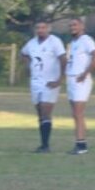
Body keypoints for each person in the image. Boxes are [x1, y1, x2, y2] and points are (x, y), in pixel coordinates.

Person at [21, 19, 65, 153]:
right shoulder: (32, 43)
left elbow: (63, 59)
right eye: (38, 28)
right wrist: (28, 66)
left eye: (43, 27)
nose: (40, 30)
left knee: (46, 111)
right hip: (35, 81)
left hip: (50, 82)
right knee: (40, 112)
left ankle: (46, 145)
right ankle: (43, 144)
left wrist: (60, 79)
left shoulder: (55, 42)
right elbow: (23, 53)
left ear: (49, 29)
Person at [65, 17, 95, 156]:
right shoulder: (72, 42)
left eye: (75, 24)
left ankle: (81, 145)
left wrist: (85, 73)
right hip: (71, 78)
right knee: (75, 114)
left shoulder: (86, 40)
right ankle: (80, 143)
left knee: (78, 113)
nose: (72, 27)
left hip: (81, 80)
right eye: (70, 25)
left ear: (82, 26)